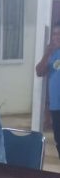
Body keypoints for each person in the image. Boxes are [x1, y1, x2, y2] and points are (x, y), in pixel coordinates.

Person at [36, 24, 60, 158]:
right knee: (58, 139)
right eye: (55, 34)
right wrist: (47, 53)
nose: (57, 37)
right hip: (56, 105)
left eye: (59, 34)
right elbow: (39, 72)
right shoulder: (52, 54)